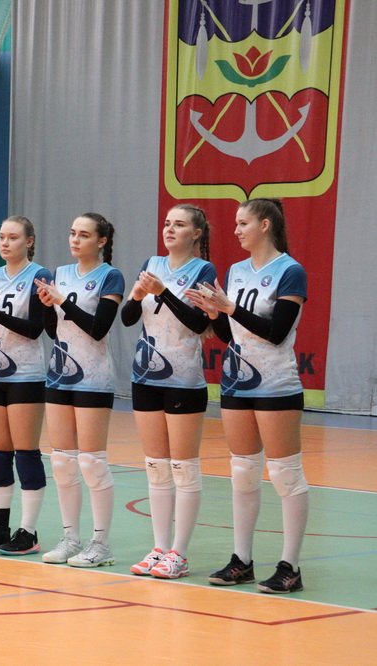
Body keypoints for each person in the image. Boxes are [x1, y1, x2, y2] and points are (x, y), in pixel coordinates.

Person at [186, 198, 309, 594]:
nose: (236, 230)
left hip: (276, 384)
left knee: (285, 474)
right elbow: (229, 335)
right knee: (242, 471)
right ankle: (242, 560)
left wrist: (230, 307)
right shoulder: (236, 271)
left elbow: (276, 333)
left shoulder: (290, 271)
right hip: (237, 383)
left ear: (265, 224)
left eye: (243, 223)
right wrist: (214, 313)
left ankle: (290, 567)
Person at [121, 205, 214, 579]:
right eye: (166, 223)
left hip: (183, 380)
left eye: (179, 225)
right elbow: (128, 318)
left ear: (196, 234)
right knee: (156, 466)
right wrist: (136, 295)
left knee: (183, 467)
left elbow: (199, 324)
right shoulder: (151, 264)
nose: (169, 229)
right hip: (145, 377)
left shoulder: (203, 271)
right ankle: (159, 548)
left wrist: (164, 292)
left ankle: (180, 553)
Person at [36, 212, 124, 567]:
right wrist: (47, 306)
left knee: (91, 462)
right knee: (62, 461)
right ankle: (70, 538)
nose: (75, 239)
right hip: (60, 375)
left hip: (94, 377)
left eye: (84, 235)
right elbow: (53, 330)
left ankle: (101, 543)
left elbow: (98, 328)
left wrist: (62, 301)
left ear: (101, 241)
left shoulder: (110, 276)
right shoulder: (59, 274)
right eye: (73, 233)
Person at [0, 216, 52, 555]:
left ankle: (28, 531)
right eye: (2, 237)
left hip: (26, 374)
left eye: (13, 238)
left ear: (29, 241)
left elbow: (34, 329)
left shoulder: (39, 276)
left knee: (26, 452)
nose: (4, 243)